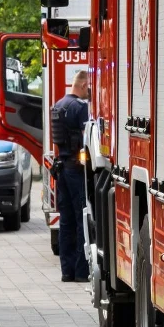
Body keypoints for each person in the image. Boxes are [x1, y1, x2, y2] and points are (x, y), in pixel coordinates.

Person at [51, 70, 91, 282]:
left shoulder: (58, 105)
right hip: (76, 169)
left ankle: (67, 272)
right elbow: (88, 138)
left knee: (65, 221)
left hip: (62, 169)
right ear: (83, 85)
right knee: (81, 218)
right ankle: (82, 272)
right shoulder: (79, 107)